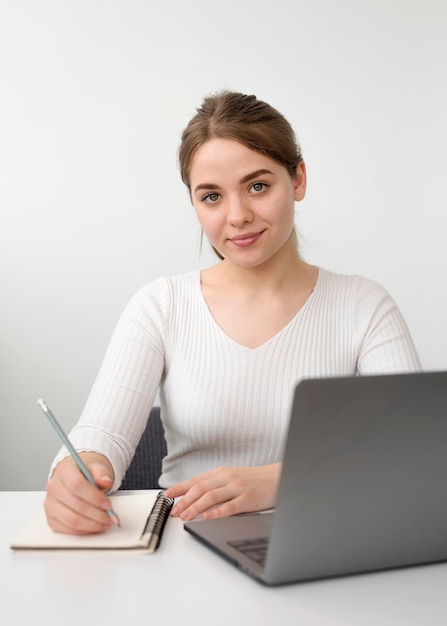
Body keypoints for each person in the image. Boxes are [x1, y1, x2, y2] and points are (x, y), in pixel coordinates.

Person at [45, 91, 421, 535]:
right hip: (186, 545)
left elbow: (415, 450)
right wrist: (76, 472)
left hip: (323, 538)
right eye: (211, 197)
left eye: (257, 186)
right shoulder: (161, 306)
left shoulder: (364, 306)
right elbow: (100, 435)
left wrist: (279, 480)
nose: (238, 215)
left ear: (298, 179)